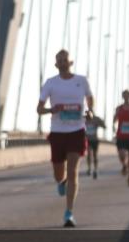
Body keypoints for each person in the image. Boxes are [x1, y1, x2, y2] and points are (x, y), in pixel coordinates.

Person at [37, 49, 95, 227]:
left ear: (71, 62)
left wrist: (90, 111)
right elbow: (39, 109)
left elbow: (90, 98)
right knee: (59, 174)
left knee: (73, 172)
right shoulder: (50, 83)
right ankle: (61, 183)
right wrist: (51, 110)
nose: (62, 62)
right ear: (56, 64)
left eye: (65, 59)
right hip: (57, 133)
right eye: (59, 60)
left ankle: (69, 213)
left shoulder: (81, 81)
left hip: (77, 131)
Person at [84, 112, 106, 179]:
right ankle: (89, 168)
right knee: (89, 154)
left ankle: (95, 169)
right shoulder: (84, 119)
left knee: (95, 155)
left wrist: (100, 123)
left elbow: (104, 126)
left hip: (95, 139)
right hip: (88, 140)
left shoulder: (96, 119)